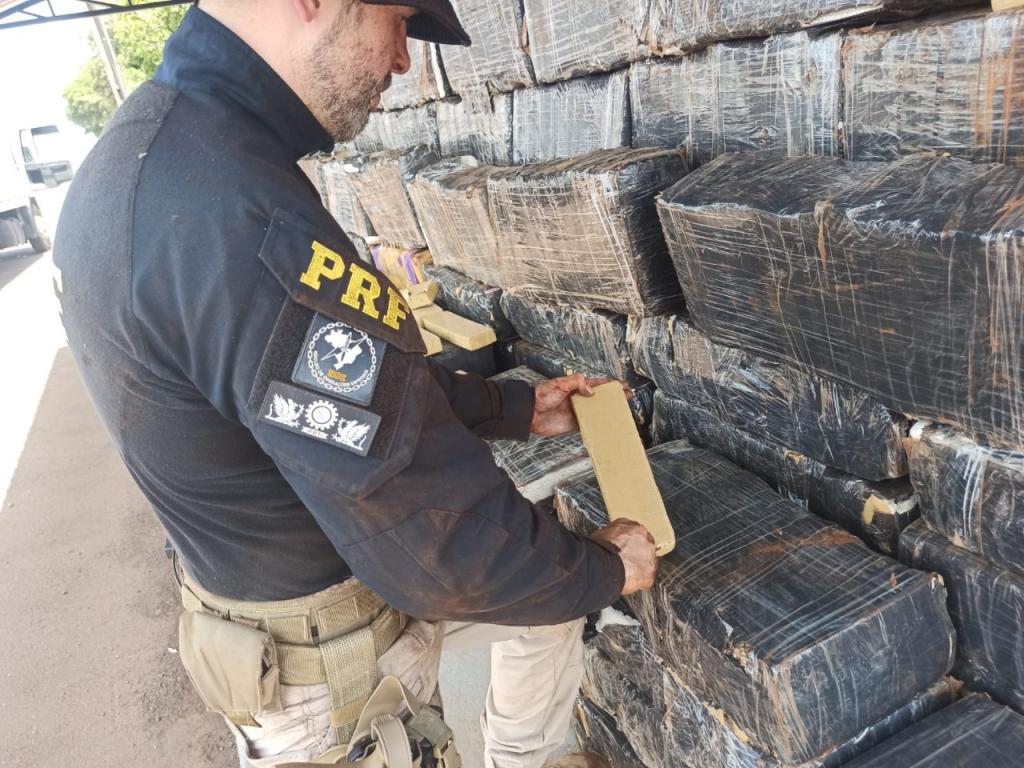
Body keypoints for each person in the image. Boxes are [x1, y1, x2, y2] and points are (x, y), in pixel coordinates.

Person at [52, 1, 658, 766]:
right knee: (549, 577)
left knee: (545, 599)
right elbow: (437, 541)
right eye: (398, 19)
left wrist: (515, 407)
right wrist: (603, 566)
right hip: (335, 686)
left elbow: (344, 390)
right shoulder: (242, 217)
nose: (403, 60)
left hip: (269, 611)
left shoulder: (152, 154)